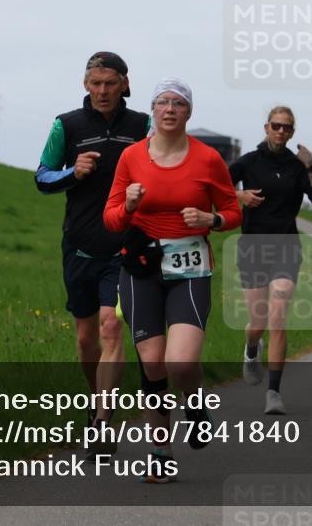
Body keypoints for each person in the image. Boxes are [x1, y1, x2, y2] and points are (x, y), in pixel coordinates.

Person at [104, 78, 241, 483]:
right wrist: (129, 206)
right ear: (152, 109)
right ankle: (160, 453)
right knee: (152, 363)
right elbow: (111, 219)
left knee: (180, 361)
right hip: (142, 267)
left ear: (188, 112)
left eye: (178, 103)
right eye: (162, 102)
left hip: (190, 269)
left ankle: (194, 403)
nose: (169, 109)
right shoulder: (131, 156)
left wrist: (211, 219)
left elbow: (234, 212)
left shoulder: (208, 159)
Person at [34, 51, 148, 455]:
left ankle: (102, 420)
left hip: (124, 245)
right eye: (96, 83)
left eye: (110, 83)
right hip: (80, 246)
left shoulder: (142, 125)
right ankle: (96, 400)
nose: (102, 91)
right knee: (86, 340)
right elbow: (42, 177)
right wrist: (73, 171)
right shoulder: (66, 125)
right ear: (85, 85)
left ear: (124, 84)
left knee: (111, 327)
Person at [229, 106, 312, 415]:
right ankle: (251, 347)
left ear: (293, 132)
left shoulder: (297, 166)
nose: (281, 131)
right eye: (276, 125)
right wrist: (240, 197)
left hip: (286, 246)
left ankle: (273, 392)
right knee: (257, 322)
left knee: (278, 317)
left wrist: (310, 165)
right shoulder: (248, 161)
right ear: (266, 127)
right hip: (253, 247)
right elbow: (215, 187)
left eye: (287, 127)